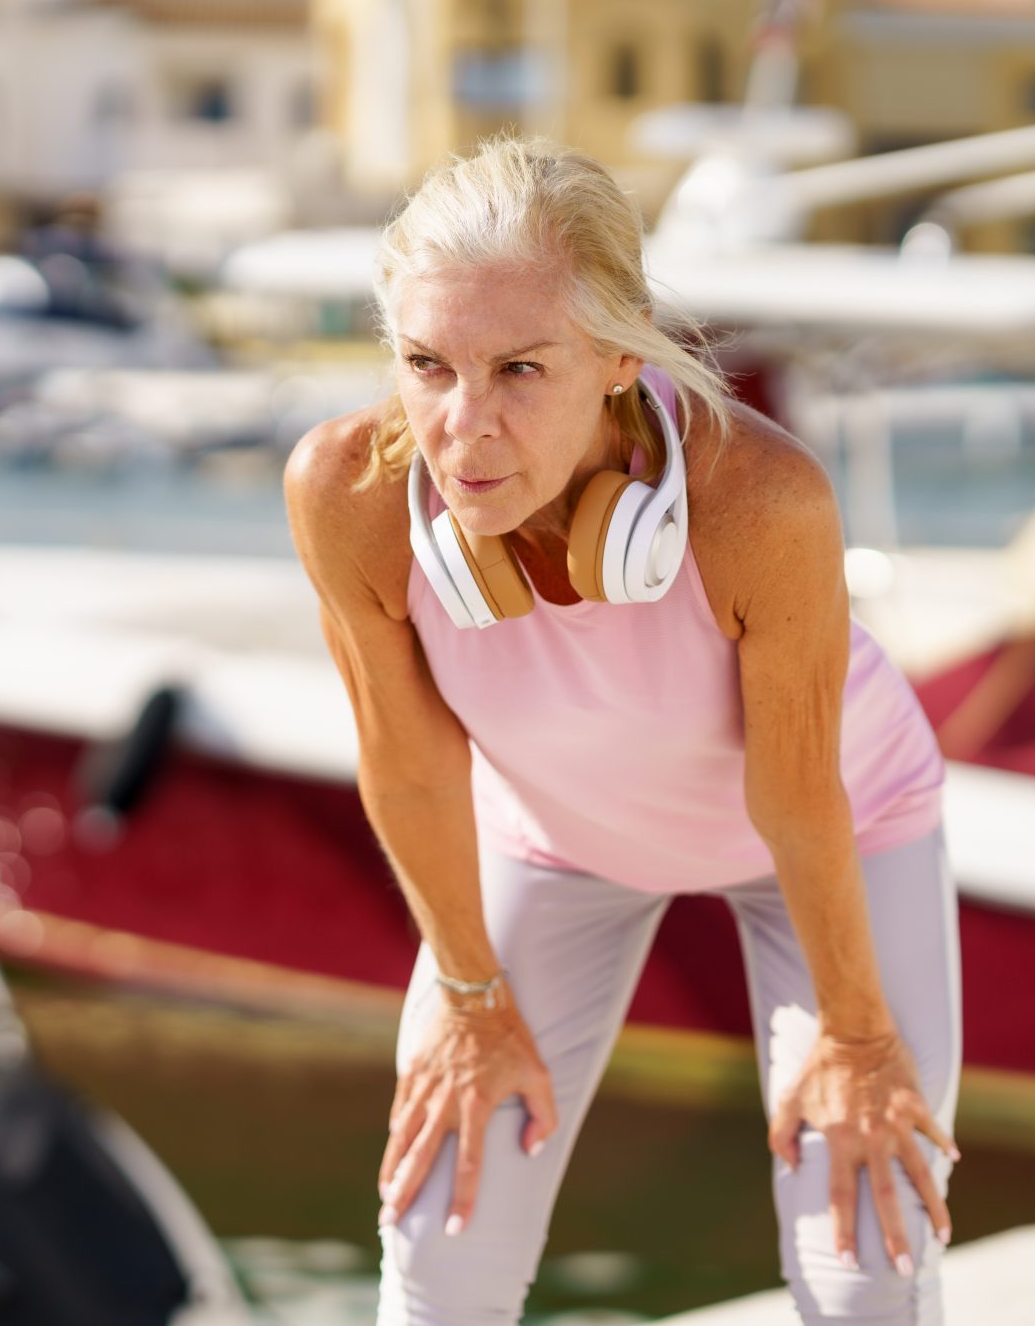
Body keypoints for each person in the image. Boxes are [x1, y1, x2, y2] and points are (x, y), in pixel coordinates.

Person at [282, 136, 962, 1326]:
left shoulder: (759, 502)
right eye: (426, 365)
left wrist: (856, 1036)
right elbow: (407, 758)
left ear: (613, 350)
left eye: (519, 369)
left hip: (827, 834)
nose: (464, 427)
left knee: (865, 1266)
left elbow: (796, 795)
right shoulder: (346, 491)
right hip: (554, 840)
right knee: (439, 1245)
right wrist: (467, 994)